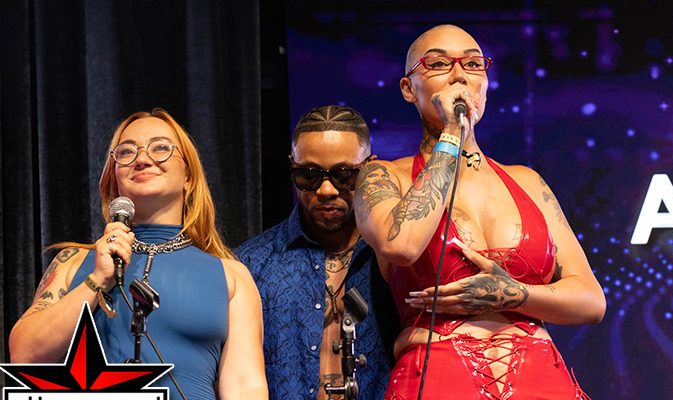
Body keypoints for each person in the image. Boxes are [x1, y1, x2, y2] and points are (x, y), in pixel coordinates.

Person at [353, 25, 606, 399]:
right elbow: (402, 246)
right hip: (438, 379)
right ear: (408, 88)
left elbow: (591, 300)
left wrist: (514, 294)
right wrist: (451, 134)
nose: (459, 75)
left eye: (473, 64)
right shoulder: (383, 175)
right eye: (439, 63)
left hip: (541, 381)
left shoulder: (528, 181)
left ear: (485, 84)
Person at [9, 109, 268, 400]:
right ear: (114, 178)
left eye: (160, 148)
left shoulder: (231, 276)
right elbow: (24, 354)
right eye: (126, 152)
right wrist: (96, 281)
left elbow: (245, 386)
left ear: (188, 175)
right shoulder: (72, 262)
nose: (142, 159)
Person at [236, 105, 399, 400]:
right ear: (292, 168)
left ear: (370, 169)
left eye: (344, 175)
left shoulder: (398, 261)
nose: (326, 190)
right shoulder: (249, 265)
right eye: (308, 175)